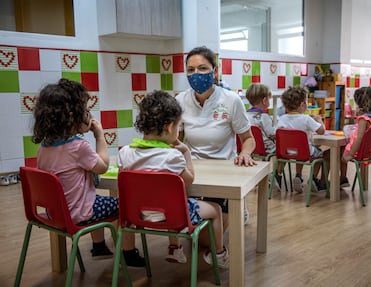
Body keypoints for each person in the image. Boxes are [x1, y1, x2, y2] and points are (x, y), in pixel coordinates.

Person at [32, 78, 145, 267]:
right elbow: (102, 166)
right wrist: (100, 137)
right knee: (123, 205)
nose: (89, 115)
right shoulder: (78, 146)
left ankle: (99, 246)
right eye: (85, 111)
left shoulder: (44, 147)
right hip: (79, 213)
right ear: (71, 116)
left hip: (57, 212)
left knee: (93, 197)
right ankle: (128, 253)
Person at [117, 90, 229, 268]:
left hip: (138, 215)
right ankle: (219, 253)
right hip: (170, 215)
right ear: (170, 127)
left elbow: (126, 183)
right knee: (214, 209)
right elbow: (189, 179)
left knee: (166, 199)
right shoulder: (172, 157)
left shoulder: (124, 153)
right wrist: (186, 152)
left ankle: (174, 248)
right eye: (179, 126)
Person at [175, 46, 256, 224]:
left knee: (209, 236)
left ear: (215, 71)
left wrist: (245, 153)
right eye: (190, 70)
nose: (196, 74)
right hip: (193, 170)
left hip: (225, 171)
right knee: (196, 228)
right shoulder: (180, 100)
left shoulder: (231, 100)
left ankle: (237, 205)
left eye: (202, 68)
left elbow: (248, 139)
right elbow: (176, 141)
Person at [276, 86, 329, 193]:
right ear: (302, 105)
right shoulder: (306, 119)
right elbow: (321, 131)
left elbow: (276, 132)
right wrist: (319, 120)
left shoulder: (281, 119)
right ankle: (313, 179)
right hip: (305, 151)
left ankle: (290, 175)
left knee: (296, 151)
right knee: (321, 155)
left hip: (287, 152)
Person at [340, 87, 371, 186]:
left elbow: (359, 138)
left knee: (338, 153)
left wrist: (350, 154)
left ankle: (342, 179)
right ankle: (343, 180)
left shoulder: (364, 119)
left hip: (359, 153)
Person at [245, 83, 276, 154]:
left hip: (250, 146)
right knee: (283, 151)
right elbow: (272, 134)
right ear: (264, 100)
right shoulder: (264, 116)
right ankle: (277, 165)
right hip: (266, 148)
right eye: (269, 99)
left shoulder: (245, 115)